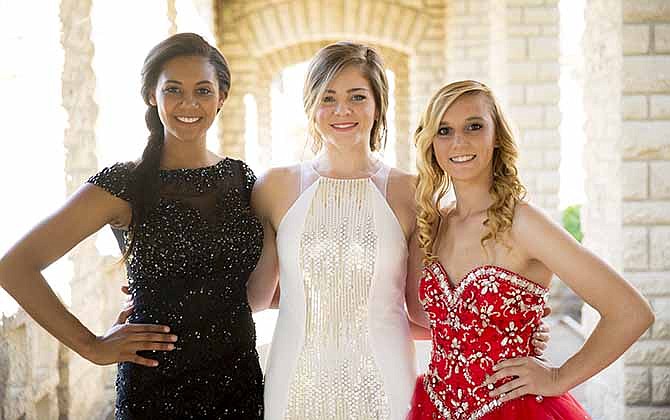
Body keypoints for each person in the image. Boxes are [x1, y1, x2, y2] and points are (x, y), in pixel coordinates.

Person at [246, 43, 550, 420]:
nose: (343, 110)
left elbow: (425, 312)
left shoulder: (413, 192)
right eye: (328, 97)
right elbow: (257, 296)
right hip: (295, 380)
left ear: (378, 105)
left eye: (358, 96)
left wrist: (507, 333)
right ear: (311, 104)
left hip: (385, 380)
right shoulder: (274, 187)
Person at [0, 33, 264, 419]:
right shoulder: (123, 184)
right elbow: (15, 267)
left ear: (221, 97)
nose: (189, 103)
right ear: (152, 96)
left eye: (203, 90)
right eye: (173, 89)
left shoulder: (241, 178)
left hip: (238, 383)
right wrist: (91, 346)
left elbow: (254, 277)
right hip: (157, 389)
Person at [406, 80, 655, 419]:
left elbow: (631, 311)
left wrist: (558, 377)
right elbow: (437, 323)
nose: (459, 141)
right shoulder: (433, 225)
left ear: (497, 138)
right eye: (444, 130)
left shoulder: (523, 224)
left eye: (474, 126)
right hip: (434, 406)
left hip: (516, 409)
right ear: (431, 142)